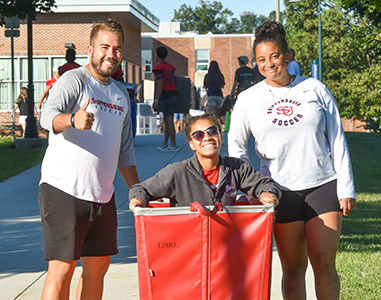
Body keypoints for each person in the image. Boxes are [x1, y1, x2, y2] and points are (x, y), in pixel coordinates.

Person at [228, 21, 356, 300]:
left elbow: (337, 139)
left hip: (323, 185)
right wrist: (250, 188)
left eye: (274, 56)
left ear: (287, 55)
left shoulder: (314, 89)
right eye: (261, 59)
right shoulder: (248, 99)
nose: (269, 64)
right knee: (293, 267)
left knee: (323, 261)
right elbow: (236, 147)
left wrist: (346, 188)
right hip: (278, 192)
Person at [38, 20, 140, 300]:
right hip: (63, 190)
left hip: (102, 196)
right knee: (62, 268)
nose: (111, 54)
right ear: (90, 49)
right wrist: (72, 119)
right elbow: (47, 117)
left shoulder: (120, 94)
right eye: (104, 47)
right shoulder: (74, 80)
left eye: (117, 49)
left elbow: (125, 149)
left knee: (98, 266)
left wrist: (137, 189)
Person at [129, 114, 281, 209]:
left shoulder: (236, 167)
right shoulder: (177, 172)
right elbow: (141, 189)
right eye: (198, 135)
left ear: (220, 136)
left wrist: (266, 193)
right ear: (191, 143)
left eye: (212, 131)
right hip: (191, 245)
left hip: (225, 244)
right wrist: (138, 199)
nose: (207, 137)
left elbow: (266, 184)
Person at [152, 46, 179, 152]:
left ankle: (173, 144)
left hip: (166, 95)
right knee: (167, 121)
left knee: (169, 121)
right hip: (173, 93)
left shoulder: (160, 68)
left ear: (157, 55)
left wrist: (156, 99)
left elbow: (160, 83)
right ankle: (165, 143)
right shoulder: (170, 67)